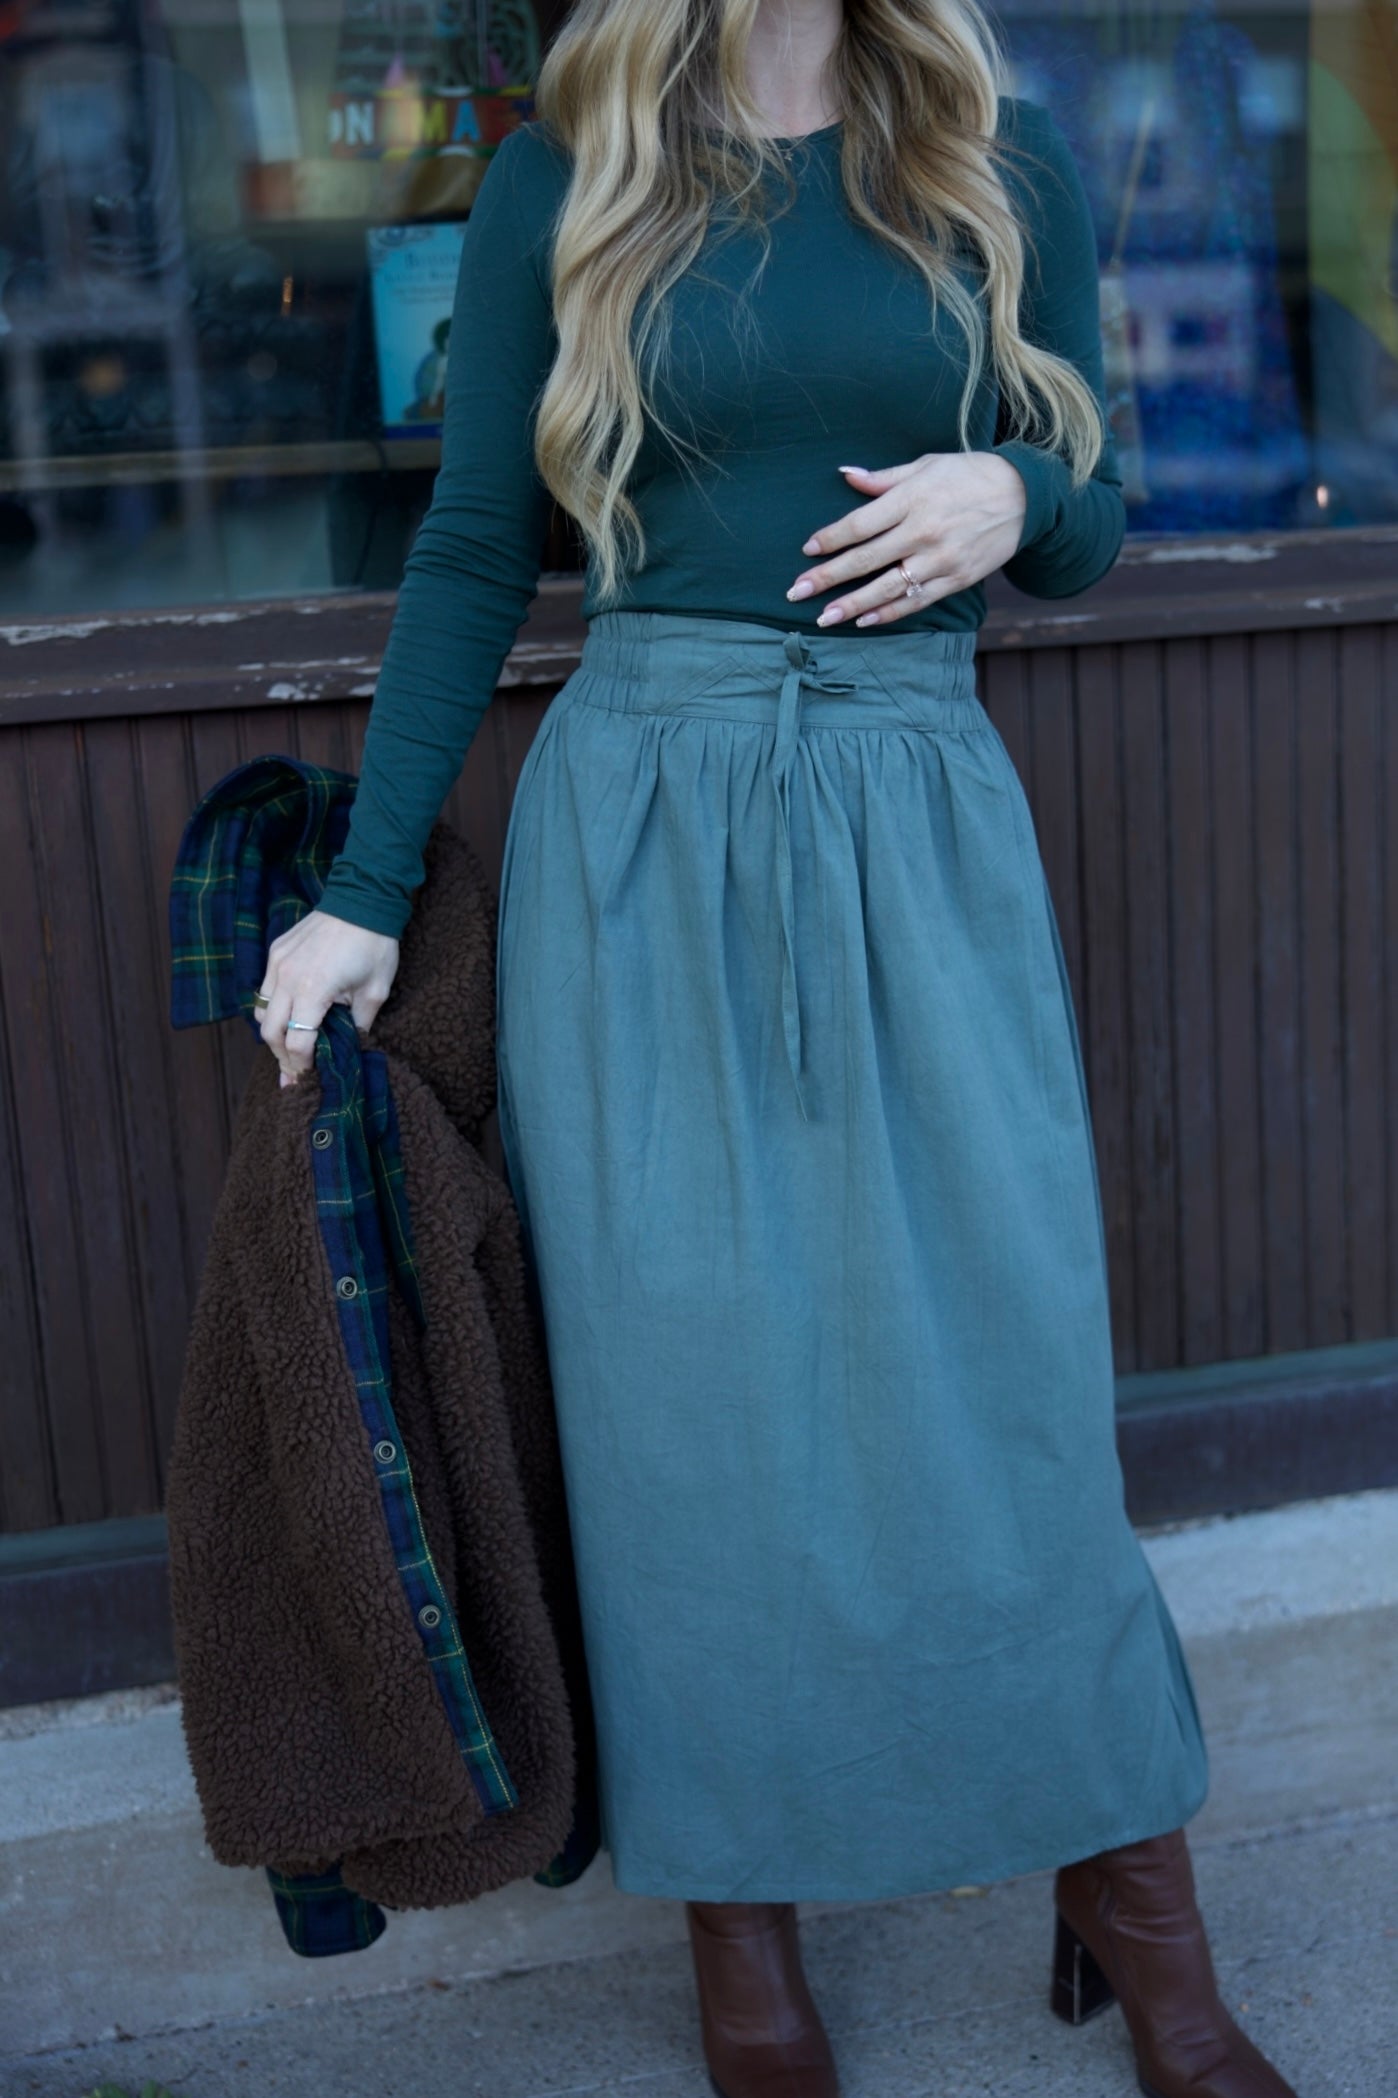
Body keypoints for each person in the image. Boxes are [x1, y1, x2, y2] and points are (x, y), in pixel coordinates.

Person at [254, 5, 1298, 2095]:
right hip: (645, 822)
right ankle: (744, 1945)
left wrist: (1018, 489)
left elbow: (1098, 515)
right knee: (683, 1411)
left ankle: (1132, 1891)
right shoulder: (571, 171)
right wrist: (365, 888)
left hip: (916, 808)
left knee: (1003, 1383)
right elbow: (475, 544)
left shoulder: (996, 159)